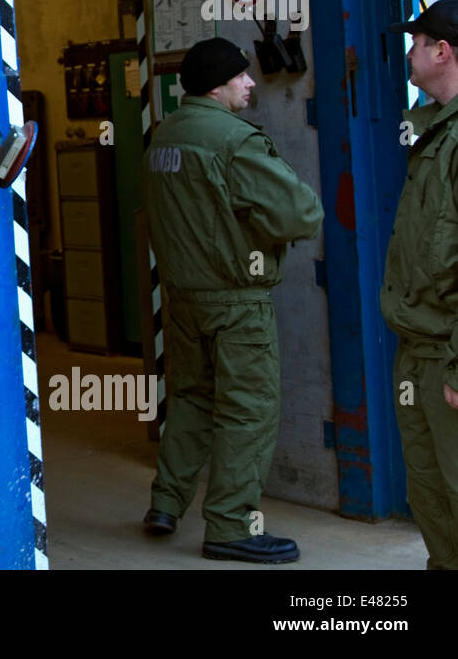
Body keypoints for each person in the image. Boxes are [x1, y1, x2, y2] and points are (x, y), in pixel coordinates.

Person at [140, 37, 323, 563]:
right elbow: (300, 214)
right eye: (242, 77)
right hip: (235, 303)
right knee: (248, 411)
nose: (249, 83)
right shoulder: (233, 140)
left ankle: (166, 504)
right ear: (218, 87)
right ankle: (229, 526)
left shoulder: (165, 135)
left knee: (192, 401)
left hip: (184, 299)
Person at [381, 0, 458, 570]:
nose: (409, 53)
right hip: (419, 354)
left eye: (416, 42)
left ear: (442, 50)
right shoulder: (431, 129)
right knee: (430, 498)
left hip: (449, 359)